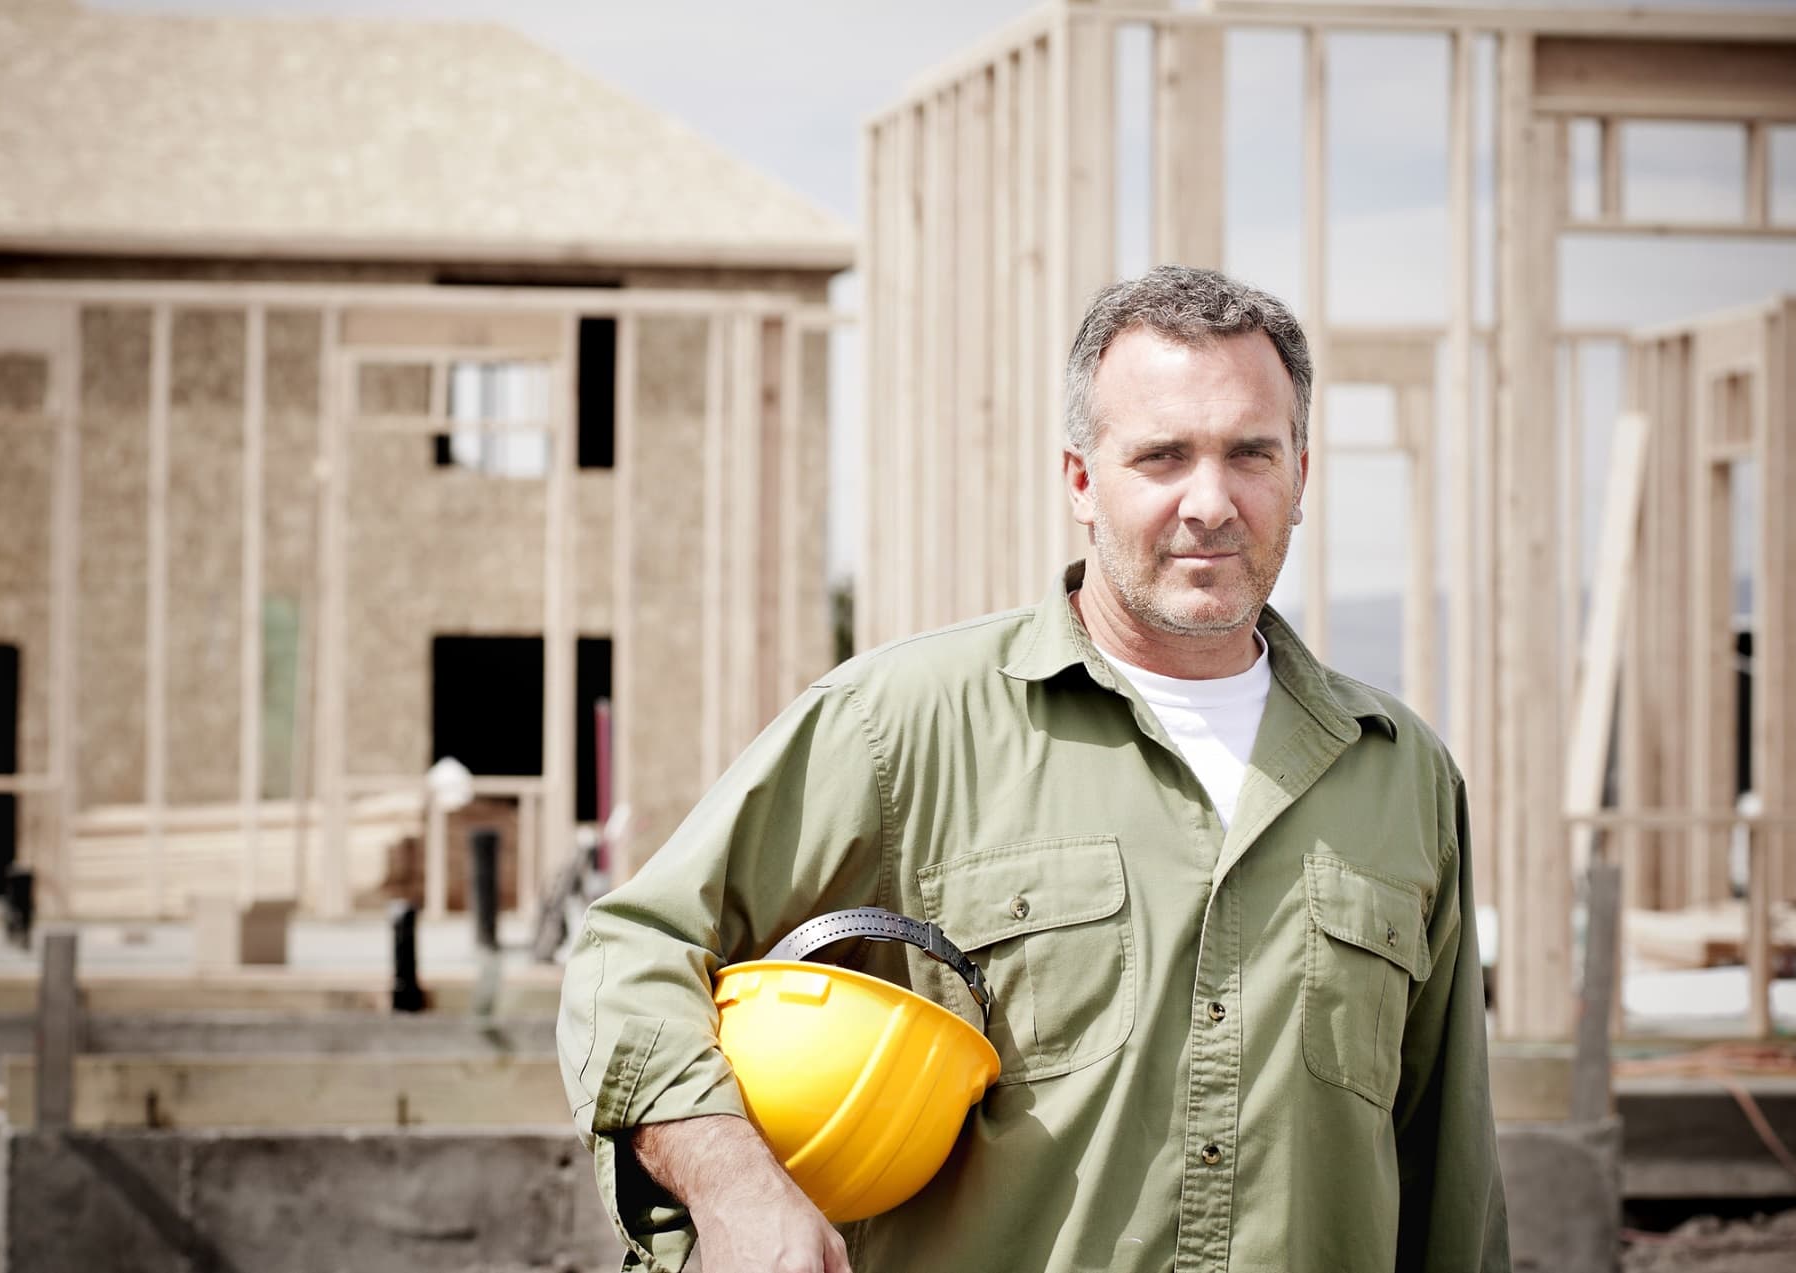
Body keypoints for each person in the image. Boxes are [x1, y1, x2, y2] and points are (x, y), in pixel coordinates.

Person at [558, 265, 1509, 1273]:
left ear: (1301, 477)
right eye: (1161, 455)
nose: (1210, 501)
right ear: (1082, 481)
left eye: (1249, 454)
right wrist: (737, 1189)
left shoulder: (1399, 777)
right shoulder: (900, 726)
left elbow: (1446, 1167)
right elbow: (631, 955)